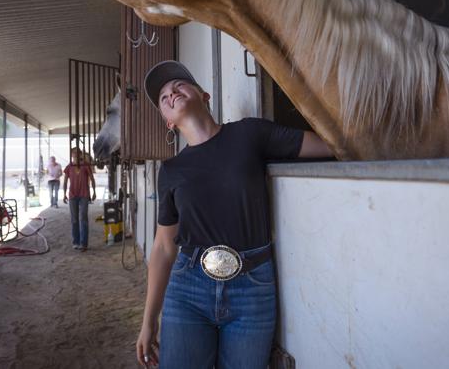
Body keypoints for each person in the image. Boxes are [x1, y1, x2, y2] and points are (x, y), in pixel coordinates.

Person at [135, 60, 332, 369]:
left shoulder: (249, 133)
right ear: (168, 122)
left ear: (205, 96)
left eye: (179, 85)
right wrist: (148, 320)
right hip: (188, 288)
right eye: (164, 97)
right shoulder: (171, 171)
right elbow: (163, 246)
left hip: (251, 288)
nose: (172, 92)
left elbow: (329, 146)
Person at [63, 147, 96, 251]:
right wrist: (64, 194)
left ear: (81, 154)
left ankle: (84, 243)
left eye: (78, 153)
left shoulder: (85, 165)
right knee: (74, 219)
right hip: (73, 195)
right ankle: (76, 242)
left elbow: (91, 178)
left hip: (84, 194)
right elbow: (65, 181)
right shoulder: (69, 167)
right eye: (74, 153)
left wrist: (94, 191)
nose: (76, 155)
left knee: (83, 218)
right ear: (71, 155)